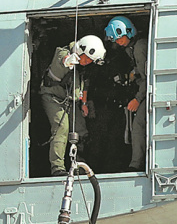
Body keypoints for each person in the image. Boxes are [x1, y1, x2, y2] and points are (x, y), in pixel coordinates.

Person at [40, 35, 105, 176]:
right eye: (86, 58)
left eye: (90, 60)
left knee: (81, 130)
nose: (87, 62)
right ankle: (57, 168)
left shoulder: (84, 66)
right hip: (52, 97)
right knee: (61, 128)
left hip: (70, 100)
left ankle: (79, 164)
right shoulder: (63, 53)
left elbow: (85, 84)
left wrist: (84, 103)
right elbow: (63, 60)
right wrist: (69, 60)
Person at [104, 16, 147, 171]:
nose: (118, 42)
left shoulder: (139, 47)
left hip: (145, 92)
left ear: (128, 32)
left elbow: (147, 78)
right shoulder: (132, 48)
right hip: (142, 90)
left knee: (138, 125)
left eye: (120, 37)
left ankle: (136, 164)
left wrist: (137, 99)